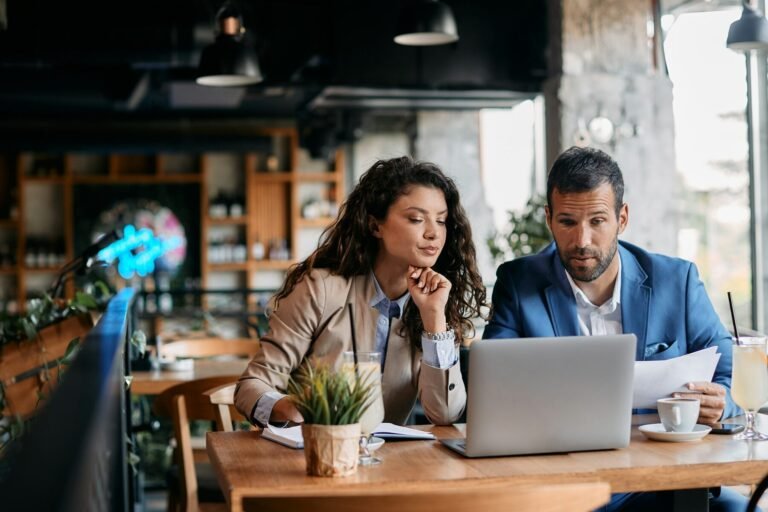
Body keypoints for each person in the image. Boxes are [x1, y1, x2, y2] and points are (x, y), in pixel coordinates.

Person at [483, 146, 746, 512]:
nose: (582, 241)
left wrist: (720, 404)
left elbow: (728, 386)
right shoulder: (518, 283)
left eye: (597, 221)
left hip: (666, 484)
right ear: (548, 219)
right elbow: (492, 390)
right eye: (567, 222)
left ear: (622, 218)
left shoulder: (677, 282)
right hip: (562, 488)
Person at [235, 156, 487, 427]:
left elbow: (445, 413)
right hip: (315, 455)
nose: (433, 233)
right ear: (374, 225)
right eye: (416, 219)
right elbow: (251, 386)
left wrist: (435, 319)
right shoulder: (320, 290)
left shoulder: (433, 304)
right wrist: (290, 409)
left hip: (388, 465)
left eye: (441, 221)